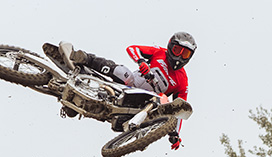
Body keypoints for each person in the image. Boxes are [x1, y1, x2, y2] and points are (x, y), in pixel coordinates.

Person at [44, 32, 197, 150]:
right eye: (177, 50)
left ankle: (79, 106)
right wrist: (141, 61)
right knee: (125, 74)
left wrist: (175, 134)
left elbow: (180, 109)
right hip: (130, 84)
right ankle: (86, 58)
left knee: (157, 106)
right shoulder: (159, 53)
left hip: (143, 104)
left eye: (185, 54)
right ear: (170, 46)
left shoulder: (182, 81)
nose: (179, 57)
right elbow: (132, 49)